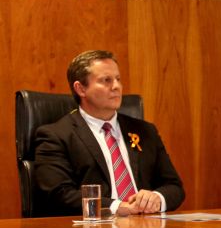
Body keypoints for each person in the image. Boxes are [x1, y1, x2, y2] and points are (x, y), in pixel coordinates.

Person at [34, 50, 185, 217]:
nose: (116, 86)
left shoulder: (145, 131)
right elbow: (58, 194)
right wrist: (116, 207)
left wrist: (156, 198)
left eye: (118, 79)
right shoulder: (56, 136)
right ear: (81, 88)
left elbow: (174, 187)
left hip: (148, 227)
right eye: (106, 80)